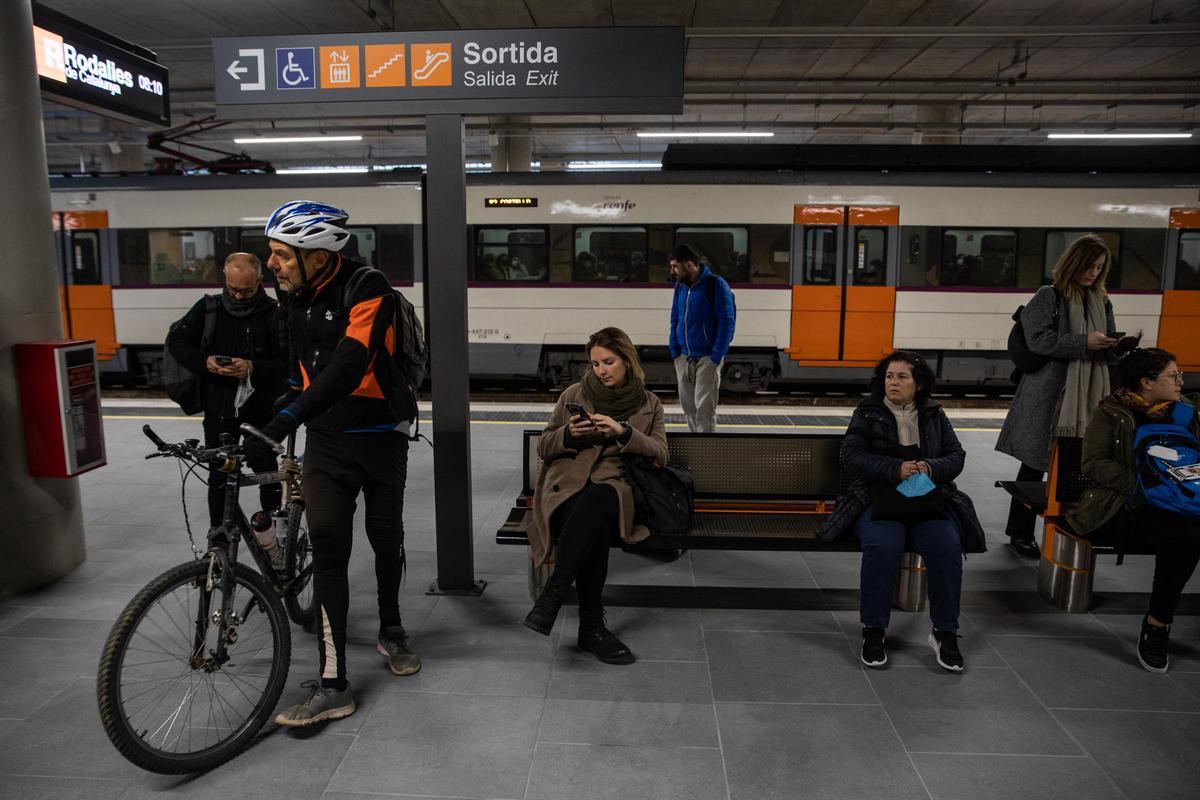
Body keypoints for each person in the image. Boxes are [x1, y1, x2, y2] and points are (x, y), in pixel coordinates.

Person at [255, 201, 420, 727]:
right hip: (326, 443)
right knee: (328, 546)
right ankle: (334, 684)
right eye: (272, 254)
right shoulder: (293, 300)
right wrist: (267, 420)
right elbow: (299, 372)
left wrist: (289, 419)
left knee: (385, 535)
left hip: (380, 436)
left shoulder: (368, 288)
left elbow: (351, 363)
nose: (272, 265)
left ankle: (391, 627)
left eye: (282, 254)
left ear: (317, 254)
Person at [818, 351, 987, 672]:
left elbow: (956, 456)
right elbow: (851, 456)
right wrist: (895, 469)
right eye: (889, 376)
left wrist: (928, 467)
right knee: (884, 546)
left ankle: (945, 632)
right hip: (878, 497)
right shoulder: (868, 411)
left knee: (946, 547)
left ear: (918, 383)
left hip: (924, 496)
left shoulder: (934, 413)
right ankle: (873, 630)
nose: (893, 382)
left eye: (901, 377)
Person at [522, 327, 669, 665]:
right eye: (595, 363)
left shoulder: (650, 404)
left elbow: (662, 454)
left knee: (599, 500)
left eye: (608, 361)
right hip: (565, 490)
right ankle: (591, 627)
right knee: (595, 523)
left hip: (616, 491)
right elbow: (544, 446)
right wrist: (569, 435)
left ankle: (553, 596)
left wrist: (624, 433)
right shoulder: (575, 392)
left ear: (627, 361)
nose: (601, 370)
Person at [1067, 345, 1200, 673]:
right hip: (1129, 505)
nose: (1180, 381)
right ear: (1147, 382)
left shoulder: (1186, 413)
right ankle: (1157, 625)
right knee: (1185, 537)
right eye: (1172, 376)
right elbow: (1094, 463)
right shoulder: (1111, 413)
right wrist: (1145, 482)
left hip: (1185, 498)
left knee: (1188, 530)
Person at [996, 234, 1118, 558]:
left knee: (1076, 463)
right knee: (1034, 463)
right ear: (1073, 263)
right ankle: (1020, 531)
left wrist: (1115, 345)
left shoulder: (1102, 302)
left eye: (1099, 267)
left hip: (1087, 393)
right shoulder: (1049, 296)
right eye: (1089, 265)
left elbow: (1104, 337)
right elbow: (1038, 341)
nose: (1093, 272)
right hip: (1048, 393)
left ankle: (1069, 525)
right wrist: (1084, 343)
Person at [165, 252, 288, 553]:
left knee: (265, 470)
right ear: (224, 278)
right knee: (219, 474)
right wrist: (204, 362)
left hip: (260, 412)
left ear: (259, 281)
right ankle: (218, 539)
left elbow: (288, 365)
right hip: (218, 410)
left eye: (245, 290)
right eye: (232, 288)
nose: (238, 295)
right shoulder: (208, 308)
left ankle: (271, 536)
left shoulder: (273, 314)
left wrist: (252, 368)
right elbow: (177, 342)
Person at [668, 245, 735, 432]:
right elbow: (675, 318)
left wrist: (716, 355)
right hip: (684, 356)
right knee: (689, 407)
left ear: (689, 265)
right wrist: (675, 349)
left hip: (707, 357)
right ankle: (695, 441)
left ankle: (705, 450)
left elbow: (726, 321)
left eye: (675, 266)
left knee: (704, 409)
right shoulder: (680, 287)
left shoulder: (716, 285)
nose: (672, 271)